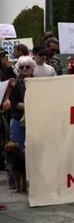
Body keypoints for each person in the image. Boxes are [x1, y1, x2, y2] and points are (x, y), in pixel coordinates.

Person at [7, 55, 34, 190]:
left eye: (27, 67)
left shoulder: (37, 82)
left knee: (31, 152)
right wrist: (31, 105)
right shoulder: (13, 83)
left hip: (34, 121)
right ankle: (14, 182)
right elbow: (14, 103)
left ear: (32, 68)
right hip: (17, 119)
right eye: (21, 67)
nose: (24, 69)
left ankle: (30, 182)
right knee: (15, 152)